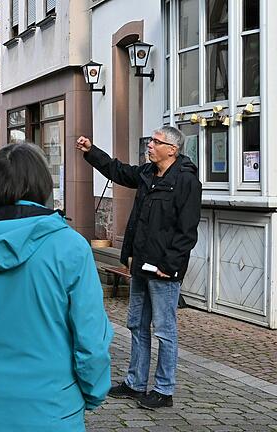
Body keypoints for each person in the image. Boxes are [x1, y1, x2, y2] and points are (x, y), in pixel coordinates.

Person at [0, 143, 113, 431]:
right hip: (55, 411)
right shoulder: (71, 247)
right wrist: (92, 391)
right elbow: (91, 339)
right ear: (43, 186)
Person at [77, 126, 202, 409]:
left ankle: (163, 390)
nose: (150, 146)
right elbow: (117, 171)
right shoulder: (147, 174)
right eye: (150, 141)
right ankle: (135, 383)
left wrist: (169, 266)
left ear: (172, 149)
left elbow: (187, 230)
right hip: (140, 265)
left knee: (165, 331)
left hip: (163, 270)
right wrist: (91, 152)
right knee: (136, 325)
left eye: (156, 142)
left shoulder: (186, 181)